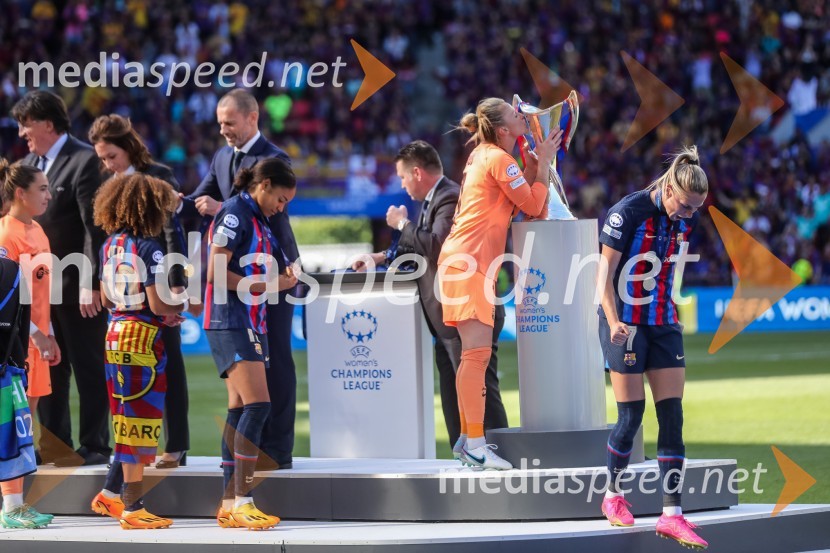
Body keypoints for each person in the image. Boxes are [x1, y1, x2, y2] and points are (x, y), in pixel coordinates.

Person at [352, 140, 508, 455]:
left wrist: (402, 224)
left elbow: (438, 246)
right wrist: (382, 256)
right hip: (449, 314)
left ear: (418, 172)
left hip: (465, 308)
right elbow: (419, 248)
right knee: (454, 392)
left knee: (479, 390)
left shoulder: (449, 196)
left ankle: (498, 452)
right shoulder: (435, 199)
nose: (402, 183)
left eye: (402, 177)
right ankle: (466, 455)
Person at [437, 98, 561, 470]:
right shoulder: (497, 159)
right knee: (476, 356)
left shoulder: (484, 154)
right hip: (470, 262)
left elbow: (533, 206)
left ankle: (467, 437)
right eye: (514, 114)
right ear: (503, 129)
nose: (521, 115)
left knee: (472, 357)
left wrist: (534, 166)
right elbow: (536, 204)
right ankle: (475, 442)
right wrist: (545, 164)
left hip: (465, 261)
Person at [180, 89, 298, 470]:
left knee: (275, 361)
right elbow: (196, 201)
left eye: (229, 122)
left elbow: (262, 216)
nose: (223, 130)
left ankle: (277, 450)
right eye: (219, 123)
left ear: (252, 117)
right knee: (246, 392)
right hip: (239, 285)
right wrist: (166, 201)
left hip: (270, 270)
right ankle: (238, 477)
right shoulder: (221, 157)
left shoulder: (274, 160)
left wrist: (221, 213)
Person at [597, 146, 708, 549]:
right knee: (631, 418)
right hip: (624, 325)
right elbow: (603, 276)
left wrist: (673, 311)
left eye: (696, 208)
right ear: (670, 188)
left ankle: (672, 515)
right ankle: (611, 496)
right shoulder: (627, 213)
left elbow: (666, 270)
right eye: (686, 206)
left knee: (673, 417)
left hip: (662, 324)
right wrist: (613, 323)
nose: (690, 214)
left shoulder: (681, 220)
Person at [88, 114, 193, 469]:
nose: (107, 164)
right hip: (125, 288)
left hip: (157, 277)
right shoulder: (110, 185)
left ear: (129, 147)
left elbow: (171, 232)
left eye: (111, 156)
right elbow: (102, 237)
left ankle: (176, 445)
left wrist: (176, 282)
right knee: (128, 376)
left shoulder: (159, 175)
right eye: (102, 158)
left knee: (172, 365)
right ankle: (131, 453)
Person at [11, 91, 110, 466]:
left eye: (26, 123)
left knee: (88, 366)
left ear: (47, 124)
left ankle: (96, 445)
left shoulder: (86, 160)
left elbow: (93, 227)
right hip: (40, 292)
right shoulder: (28, 165)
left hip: (77, 288)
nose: (22, 132)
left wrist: (91, 281)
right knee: (46, 367)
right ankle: (56, 445)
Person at [89, 172, 186, 530]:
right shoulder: (150, 248)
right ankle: (133, 507)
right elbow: (159, 304)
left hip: (114, 332)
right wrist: (175, 308)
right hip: (140, 339)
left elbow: (105, 296)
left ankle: (112, 496)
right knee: (139, 425)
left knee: (125, 418)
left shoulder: (108, 245)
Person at [205, 158, 297, 530]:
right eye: (281, 198)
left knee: (240, 408)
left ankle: (229, 501)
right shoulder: (236, 212)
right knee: (259, 405)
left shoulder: (257, 217)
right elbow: (215, 270)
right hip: (231, 320)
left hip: (245, 319)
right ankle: (243, 499)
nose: (282, 207)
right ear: (265, 184)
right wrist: (272, 285)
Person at [0, 161, 54, 529]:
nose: (49, 195)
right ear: (21, 193)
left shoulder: (38, 231)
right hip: (18, 341)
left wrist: (48, 333)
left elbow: (38, 293)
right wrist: (37, 335)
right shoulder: (8, 234)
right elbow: (9, 299)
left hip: (36, 338)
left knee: (22, 422)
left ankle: (16, 503)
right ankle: (12, 506)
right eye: (43, 189)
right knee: (12, 421)